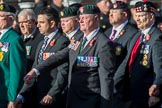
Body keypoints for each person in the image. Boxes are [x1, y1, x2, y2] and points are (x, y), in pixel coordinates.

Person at [24, 4, 116, 108]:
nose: (81, 21)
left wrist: (105, 105)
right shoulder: (78, 39)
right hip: (72, 99)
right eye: (80, 18)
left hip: (90, 101)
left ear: (96, 18)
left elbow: (106, 80)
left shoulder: (103, 44)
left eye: (85, 18)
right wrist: (35, 70)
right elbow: (59, 56)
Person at [15, 6, 70, 108]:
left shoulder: (62, 42)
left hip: (52, 98)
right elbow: (33, 72)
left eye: (42, 22)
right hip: (38, 96)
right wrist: (21, 95)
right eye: (38, 22)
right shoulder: (41, 43)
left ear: (52, 23)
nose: (38, 25)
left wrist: (51, 94)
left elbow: (63, 72)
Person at [114, 1, 162, 108]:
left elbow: (159, 67)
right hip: (131, 90)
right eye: (137, 16)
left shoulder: (156, 37)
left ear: (151, 17)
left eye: (142, 15)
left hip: (146, 92)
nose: (138, 19)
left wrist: (157, 86)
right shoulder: (136, 36)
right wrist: (114, 82)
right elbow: (127, 61)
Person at [0, 3, 26, 108]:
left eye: (1, 16)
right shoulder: (2, 37)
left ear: (11, 19)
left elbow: (17, 71)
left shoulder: (14, 39)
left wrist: (12, 97)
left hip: (4, 94)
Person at [104, 1, 137, 69]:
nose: (110, 15)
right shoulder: (106, 32)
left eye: (114, 12)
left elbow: (127, 60)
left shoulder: (133, 33)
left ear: (124, 15)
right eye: (110, 12)